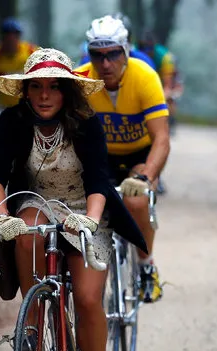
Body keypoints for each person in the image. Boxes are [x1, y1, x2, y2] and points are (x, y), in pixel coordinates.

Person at [0, 48, 147, 351]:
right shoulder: (12, 121)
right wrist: (1, 216)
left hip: (85, 209)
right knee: (25, 228)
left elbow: (99, 181)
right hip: (34, 204)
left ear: (67, 91)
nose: (43, 95)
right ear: (25, 92)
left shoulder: (87, 125)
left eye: (53, 87)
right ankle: (34, 319)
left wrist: (89, 220)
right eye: (35, 87)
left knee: (89, 300)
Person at [77, 16, 170, 303]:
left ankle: (146, 266)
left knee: (135, 199)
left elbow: (162, 140)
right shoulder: (80, 80)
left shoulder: (144, 77)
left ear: (126, 50)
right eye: (98, 55)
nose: (105, 63)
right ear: (89, 54)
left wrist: (147, 176)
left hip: (137, 155)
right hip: (101, 157)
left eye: (113, 54)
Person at [0, 18, 37, 109]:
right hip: (5, 107)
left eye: (14, 38)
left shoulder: (30, 51)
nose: (11, 42)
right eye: (7, 39)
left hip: (29, 105)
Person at [78, 12, 156, 70]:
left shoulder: (143, 62)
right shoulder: (86, 63)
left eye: (113, 53)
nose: (106, 65)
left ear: (128, 41)